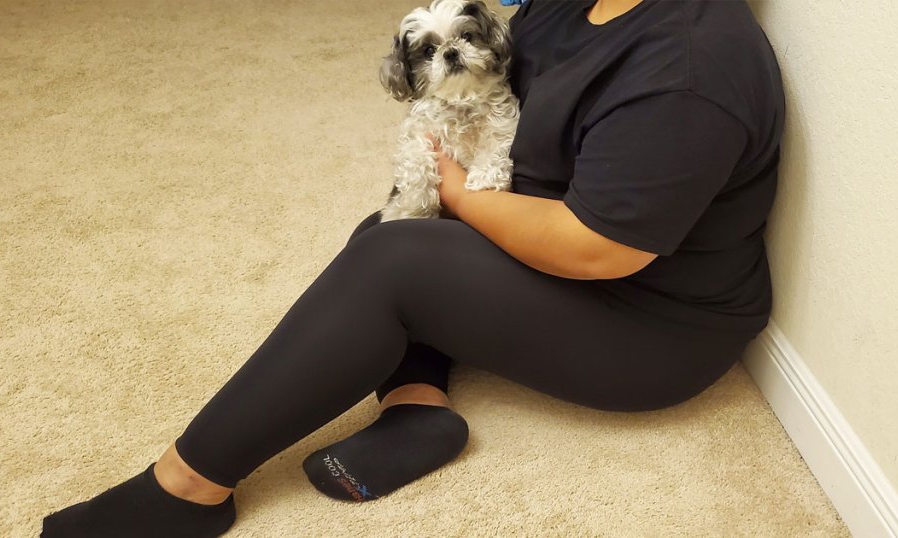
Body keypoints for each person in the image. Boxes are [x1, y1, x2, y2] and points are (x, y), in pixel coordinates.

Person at [40, 0, 784, 536]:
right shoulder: (572, 6)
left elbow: (597, 248)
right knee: (393, 226)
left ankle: (185, 491)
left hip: (652, 328)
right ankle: (418, 407)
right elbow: (492, 87)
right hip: (584, 263)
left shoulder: (688, 62)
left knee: (397, 258)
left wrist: (460, 193)